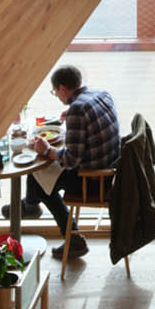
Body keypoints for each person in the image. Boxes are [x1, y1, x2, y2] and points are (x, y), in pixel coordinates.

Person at [28, 62, 119, 260]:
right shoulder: (101, 94)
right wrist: (71, 115)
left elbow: (70, 160)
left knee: (38, 179)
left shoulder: (78, 109)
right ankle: (29, 205)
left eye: (55, 92)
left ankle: (73, 239)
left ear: (62, 88)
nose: (57, 95)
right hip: (111, 168)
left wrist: (48, 149)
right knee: (38, 177)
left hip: (94, 180)